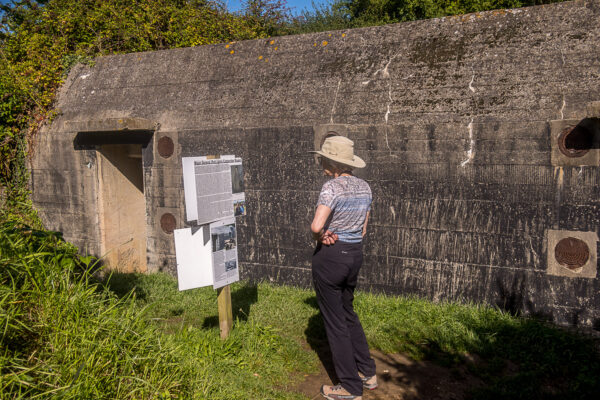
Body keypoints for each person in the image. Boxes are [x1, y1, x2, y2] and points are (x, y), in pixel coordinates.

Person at [309, 135, 377, 400]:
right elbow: (363, 229)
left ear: (332, 163)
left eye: (324, 158)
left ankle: (349, 386)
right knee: (348, 313)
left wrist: (321, 236)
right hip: (354, 255)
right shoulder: (365, 187)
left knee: (335, 322)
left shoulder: (331, 188)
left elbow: (316, 226)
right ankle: (367, 372)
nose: (321, 162)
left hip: (332, 257)